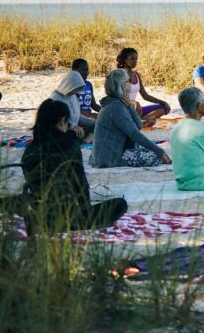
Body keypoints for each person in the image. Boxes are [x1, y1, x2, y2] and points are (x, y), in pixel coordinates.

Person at [21, 99, 128, 233]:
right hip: (68, 216)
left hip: (41, 215)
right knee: (120, 204)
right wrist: (86, 210)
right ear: (62, 121)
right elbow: (80, 183)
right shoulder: (69, 145)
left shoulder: (29, 150)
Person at [91, 69, 171, 168]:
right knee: (155, 157)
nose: (130, 83)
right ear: (122, 85)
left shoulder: (116, 103)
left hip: (104, 155)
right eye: (128, 81)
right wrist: (159, 151)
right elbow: (134, 133)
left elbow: (139, 125)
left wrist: (129, 106)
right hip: (108, 159)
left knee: (147, 149)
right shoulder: (116, 107)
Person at [115, 47, 169, 125]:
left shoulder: (136, 75)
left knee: (163, 108)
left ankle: (143, 119)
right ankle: (141, 120)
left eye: (136, 59)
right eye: (132, 59)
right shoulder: (119, 75)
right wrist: (133, 102)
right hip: (122, 109)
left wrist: (163, 102)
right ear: (124, 60)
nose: (135, 61)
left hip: (135, 109)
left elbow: (145, 95)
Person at [50, 70, 96, 139]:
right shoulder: (55, 99)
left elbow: (78, 117)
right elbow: (56, 122)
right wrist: (72, 126)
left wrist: (92, 122)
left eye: (78, 90)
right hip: (61, 134)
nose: (76, 92)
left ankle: (86, 141)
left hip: (75, 131)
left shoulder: (73, 96)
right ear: (69, 85)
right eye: (75, 89)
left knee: (96, 126)